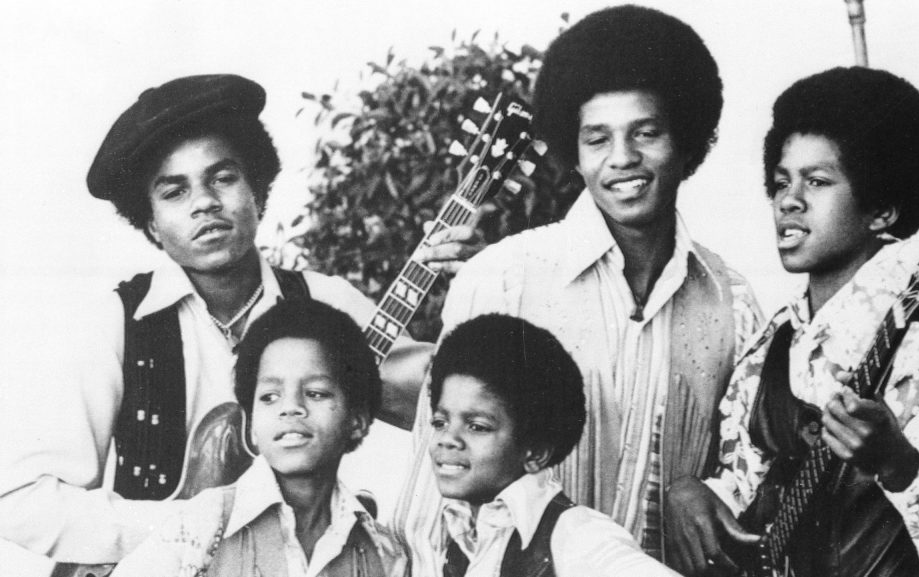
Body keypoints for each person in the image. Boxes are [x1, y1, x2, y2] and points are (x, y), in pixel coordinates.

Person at [0, 74, 480, 569]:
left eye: (223, 178)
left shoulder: (324, 302)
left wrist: (479, 286)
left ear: (257, 190)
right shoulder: (118, 323)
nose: (204, 202)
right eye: (174, 192)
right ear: (151, 224)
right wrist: (185, 532)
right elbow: (19, 499)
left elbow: (447, 400)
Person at [395, 4, 762, 570]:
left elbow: (751, 474)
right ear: (576, 152)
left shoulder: (731, 303)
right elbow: (427, 507)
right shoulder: (503, 278)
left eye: (646, 133)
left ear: (686, 142)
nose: (623, 159)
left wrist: (706, 488)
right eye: (597, 139)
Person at [667, 67, 919, 577]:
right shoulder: (773, 343)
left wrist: (897, 463)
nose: (788, 199)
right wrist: (690, 493)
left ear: (881, 211)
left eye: (817, 181)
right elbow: (744, 492)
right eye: (781, 181)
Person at [112, 299, 407, 577]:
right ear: (251, 424)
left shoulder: (382, 551)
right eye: (269, 396)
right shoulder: (202, 524)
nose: (291, 407)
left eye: (316, 393)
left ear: (357, 420)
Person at [423, 313, 681, 577]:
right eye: (440, 422)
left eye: (477, 427)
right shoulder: (464, 533)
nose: (448, 438)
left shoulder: (578, 535)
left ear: (535, 453)